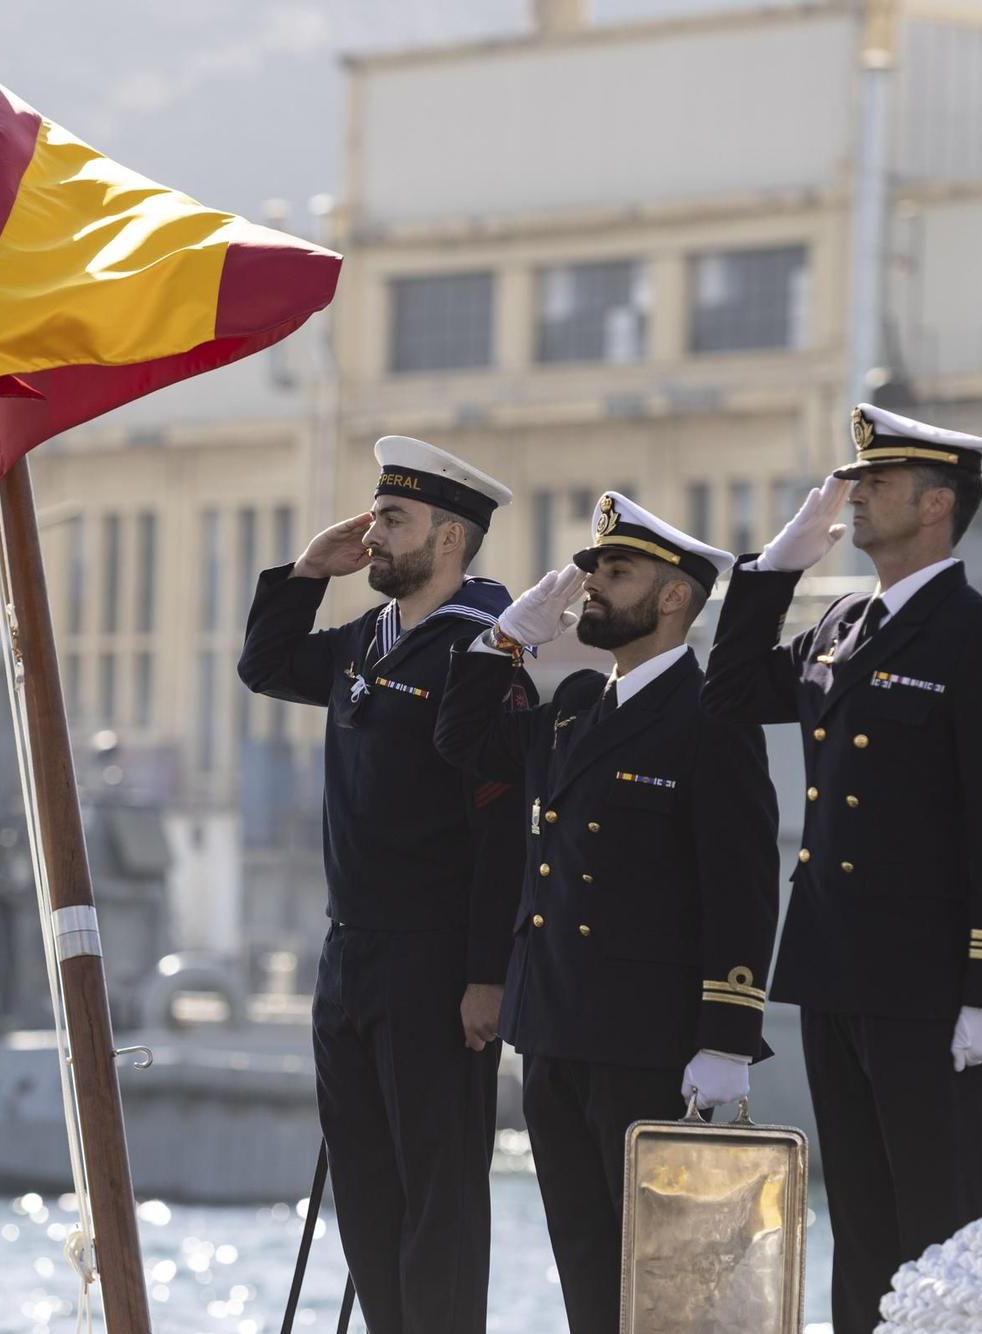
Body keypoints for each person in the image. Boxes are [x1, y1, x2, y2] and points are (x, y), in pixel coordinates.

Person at [700, 403, 982, 1334]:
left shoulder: (978, 638)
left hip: (926, 986)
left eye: (877, 484)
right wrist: (775, 568)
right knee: (855, 1224)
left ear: (937, 506)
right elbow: (730, 690)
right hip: (831, 971)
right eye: (853, 482)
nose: (853, 499)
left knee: (936, 1229)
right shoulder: (841, 627)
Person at [434, 491, 780, 1334]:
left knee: (669, 1281)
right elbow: (461, 738)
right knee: (586, 1264)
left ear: (672, 599)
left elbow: (743, 883)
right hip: (553, 1031)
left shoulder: (712, 718)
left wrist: (727, 1039)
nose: (592, 586)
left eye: (616, 572)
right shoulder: (577, 706)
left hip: (648, 1045)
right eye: (591, 569)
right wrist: (504, 642)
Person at [237, 435, 532, 1334]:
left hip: (436, 964)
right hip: (349, 955)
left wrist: (488, 973)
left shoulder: (487, 649)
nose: (371, 535)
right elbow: (267, 666)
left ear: (450, 538)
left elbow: (502, 827)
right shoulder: (370, 636)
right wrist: (304, 572)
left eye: (392, 521)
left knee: (438, 1196)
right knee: (365, 1190)